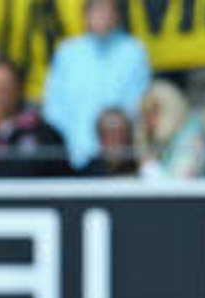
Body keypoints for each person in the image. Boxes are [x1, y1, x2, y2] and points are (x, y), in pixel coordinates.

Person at [43, 0, 151, 171]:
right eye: (97, 10)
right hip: (73, 157)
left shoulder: (134, 51)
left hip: (118, 159)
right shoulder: (67, 52)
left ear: (117, 15)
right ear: (85, 15)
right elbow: (54, 109)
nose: (102, 17)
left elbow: (137, 105)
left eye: (108, 10)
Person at [137, 79, 205, 180]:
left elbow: (179, 186)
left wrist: (151, 169)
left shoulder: (193, 140)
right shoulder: (172, 140)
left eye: (153, 114)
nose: (148, 123)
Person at [80, 108, 139, 177]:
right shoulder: (86, 175)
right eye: (111, 133)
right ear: (100, 136)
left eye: (121, 132)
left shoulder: (139, 170)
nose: (117, 138)